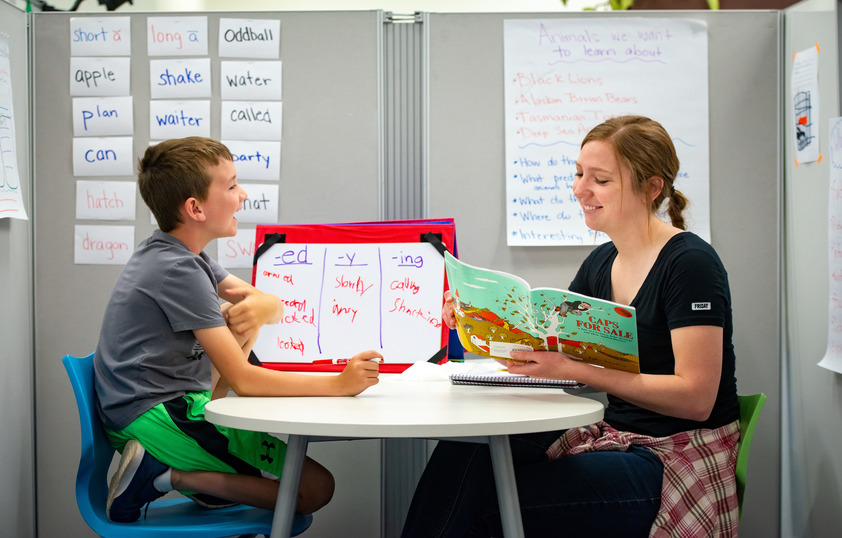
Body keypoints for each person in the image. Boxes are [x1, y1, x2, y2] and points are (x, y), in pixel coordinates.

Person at [401, 116, 740, 537]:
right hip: (618, 435)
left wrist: (579, 371)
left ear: (651, 188)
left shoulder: (689, 264)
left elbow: (696, 399)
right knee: (467, 452)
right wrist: (476, 319)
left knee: (494, 506)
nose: (580, 190)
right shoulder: (601, 263)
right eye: (579, 174)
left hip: (676, 456)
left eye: (600, 179)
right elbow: (545, 349)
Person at [95, 136, 382, 523]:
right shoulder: (178, 270)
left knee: (239, 315)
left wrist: (265, 305)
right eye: (230, 186)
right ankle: (163, 477)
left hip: (159, 402)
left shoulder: (181, 253)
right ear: (195, 208)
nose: (243, 194)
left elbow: (261, 303)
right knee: (314, 489)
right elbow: (244, 380)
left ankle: (206, 481)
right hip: (153, 415)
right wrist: (340, 384)